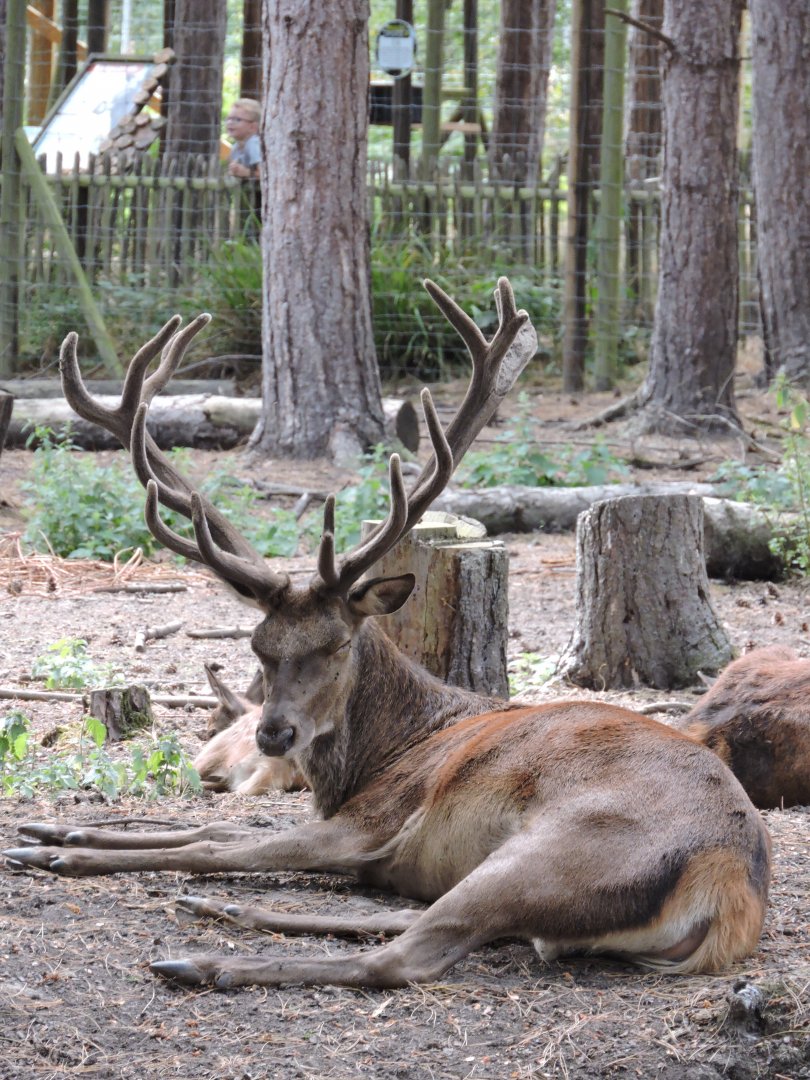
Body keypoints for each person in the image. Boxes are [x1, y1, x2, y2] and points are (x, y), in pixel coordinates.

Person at [225, 98, 261, 179]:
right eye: (229, 118)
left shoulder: (254, 144)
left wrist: (246, 172)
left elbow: (263, 173)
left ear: (253, 127)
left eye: (237, 119)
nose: (230, 122)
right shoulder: (236, 146)